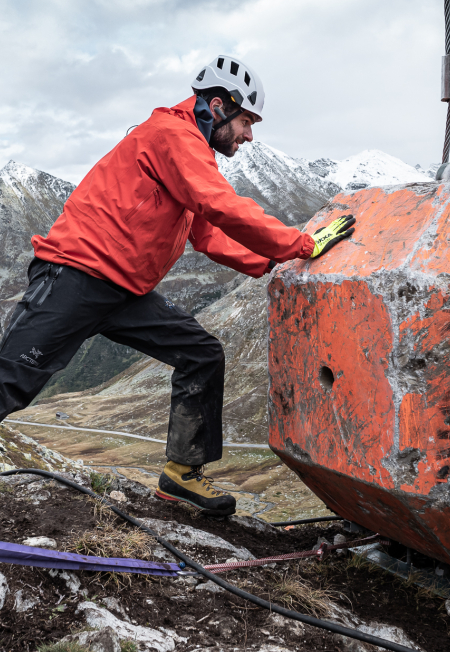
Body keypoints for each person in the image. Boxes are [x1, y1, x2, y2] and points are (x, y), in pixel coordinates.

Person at [0, 55, 355, 516]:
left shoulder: (187, 149)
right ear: (218, 106)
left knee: (201, 354)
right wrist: (300, 246)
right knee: (10, 379)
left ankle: (182, 474)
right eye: (247, 121)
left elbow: (206, 231)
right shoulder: (173, 135)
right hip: (76, 276)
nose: (249, 135)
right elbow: (221, 206)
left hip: (124, 292)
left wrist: (270, 262)